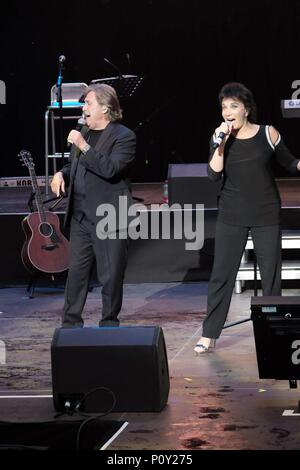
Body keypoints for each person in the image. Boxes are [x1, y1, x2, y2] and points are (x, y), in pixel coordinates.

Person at [194, 82, 300, 354]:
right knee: (221, 275)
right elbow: (213, 174)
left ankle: (275, 333)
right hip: (232, 213)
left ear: (246, 109)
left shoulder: (268, 133)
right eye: (224, 107)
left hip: (266, 212)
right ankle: (209, 334)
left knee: (271, 278)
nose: (227, 112)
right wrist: (221, 143)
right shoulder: (220, 137)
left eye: (233, 106)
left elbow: (290, 163)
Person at [51, 83, 136, 327]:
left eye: (88, 103)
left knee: (110, 277)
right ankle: (70, 325)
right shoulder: (84, 134)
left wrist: (82, 145)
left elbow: (110, 169)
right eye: (83, 103)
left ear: (106, 108)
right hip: (80, 217)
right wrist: (62, 173)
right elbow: (76, 166)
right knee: (76, 275)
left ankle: (109, 324)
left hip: (109, 217)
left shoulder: (124, 137)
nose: (83, 108)